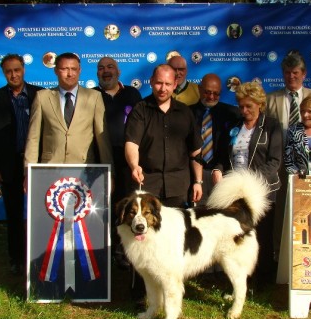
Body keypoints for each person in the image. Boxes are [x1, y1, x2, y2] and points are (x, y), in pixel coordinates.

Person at [125, 64, 204, 303]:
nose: (163, 88)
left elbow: (196, 151)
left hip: (178, 183)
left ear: (175, 84)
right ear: (151, 81)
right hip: (148, 185)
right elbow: (132, 144)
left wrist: (198, 181)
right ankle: (143, 293)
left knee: (172, 239)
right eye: (159, 83)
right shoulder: (141, 109)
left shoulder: (185, 112)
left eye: (168, 84)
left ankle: (171, 288)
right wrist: (134, 166)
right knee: (142, 239)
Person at [212, 81, 282, 287]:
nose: (244, 110)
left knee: (262, 236)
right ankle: (240, 280)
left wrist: (249, 182)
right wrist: (218, 169)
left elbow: (275, 162)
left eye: (249, 106)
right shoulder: (234, 127)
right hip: (236, 192)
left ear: (260, 104)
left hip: (262, 191)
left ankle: (263, 280)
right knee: (238, 237)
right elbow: (223, 157)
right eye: (241, 106)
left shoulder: (272, 126)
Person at [266, 50, 311, 264]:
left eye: (295, 73)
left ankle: (306, 255)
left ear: (303, 74)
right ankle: (277, 255)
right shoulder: (271, 99)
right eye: (286, 73)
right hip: (280, 164)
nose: (291, 77)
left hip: (309, 165)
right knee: (280, 212)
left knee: (308, 211)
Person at [0, 54, 43, 274]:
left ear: (24, 69)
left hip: (37, 164)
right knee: (14, 214)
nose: (13, 75)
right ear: (3, 73)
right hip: (8, 165)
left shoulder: (40, 94)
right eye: (9, 71)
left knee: (42, 212)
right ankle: (17, 257)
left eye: (17, 70)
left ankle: (41, 255)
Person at [24, 52, 114, 169]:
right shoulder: (42, 97)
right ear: (56, 71)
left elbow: (102, 139)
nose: (70, 74)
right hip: (50, 168)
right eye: (64, 69)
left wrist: (110, 172)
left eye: (74, 69)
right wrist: (28, 172)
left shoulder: (94, 97)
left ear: (80, 70)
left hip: (84, 169)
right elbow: (33, 138)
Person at [93, 56, 142, 268]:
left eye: (110, 67)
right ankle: (101, 251)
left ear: (119, 72)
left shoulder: (132, 93)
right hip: (98, 159)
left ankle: (123, 253)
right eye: (101, 68)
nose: (106, 71)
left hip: (126, 160)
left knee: (125, 205)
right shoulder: (91, 95)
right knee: (100, 207)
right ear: (97, 74)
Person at [190, 73, 240, 204]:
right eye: (207, 92)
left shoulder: (232, 114)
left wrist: (220, 168)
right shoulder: (187, 113)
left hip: (221, 174)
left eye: (216, 93)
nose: (211, 97)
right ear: (200, 89)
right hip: (193, 176)